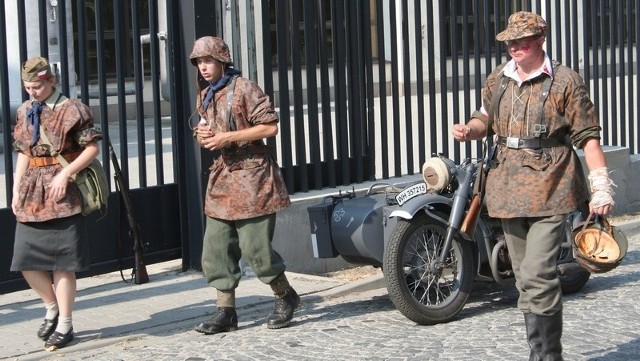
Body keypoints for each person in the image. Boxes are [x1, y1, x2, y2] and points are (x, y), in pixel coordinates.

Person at [452, 11, 615, 361]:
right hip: (507, 190)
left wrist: (601, 187)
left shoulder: (566, 81)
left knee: (539, 275)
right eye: (510, 41)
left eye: (522, 40)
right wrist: (471, 129)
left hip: (552, 187)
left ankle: (547, 357)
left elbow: (588, 138)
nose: (514, 46)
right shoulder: (499, 78)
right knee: (524, 279)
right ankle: (539, 353)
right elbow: (486, 117)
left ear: (540, 39)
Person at [189, 36, 299, 334]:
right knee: (216, 250)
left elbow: (270, 127)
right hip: (223, 178)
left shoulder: (245, 88)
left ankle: (286, 296)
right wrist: (204, 136)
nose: (204, 67)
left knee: (256, 250)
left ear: (223, 61)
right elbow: (209, 131)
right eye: (199, 62)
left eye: (208, 61)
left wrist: (226, 138)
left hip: (253, 179)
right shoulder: (206, 94)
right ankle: (225, 312)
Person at [11, 56, 103, 351]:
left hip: (62, 191)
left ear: (50, 81)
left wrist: (66, 172)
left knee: (64, 264)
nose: (31, 92)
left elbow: (92, 148)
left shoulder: (72, 109)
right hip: (31, 192)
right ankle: (51, 307)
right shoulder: (25, 110)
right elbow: (24, 151)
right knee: (25, 259)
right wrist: (15, 189)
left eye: (36, 86)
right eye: (27, 87)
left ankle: (65, 323)